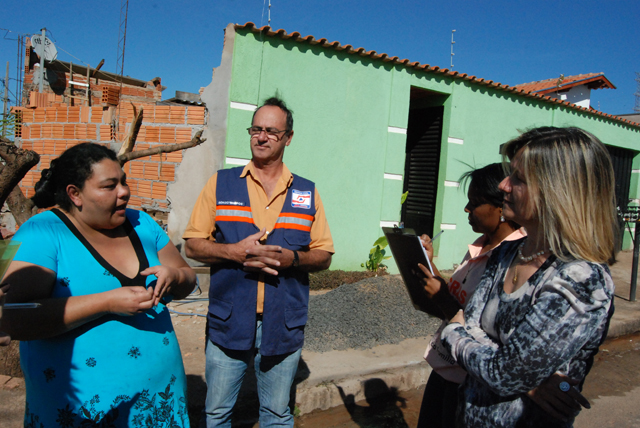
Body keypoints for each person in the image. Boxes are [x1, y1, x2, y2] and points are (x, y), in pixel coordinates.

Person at [0, 143, 196, 427]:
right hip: (82, 411)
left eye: (123, 181)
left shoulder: (142, 223)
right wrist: (107, 303)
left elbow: (187, 277)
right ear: (74, 194)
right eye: (109, 186)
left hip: (158, 402)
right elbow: (13, 316)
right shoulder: (40, 231)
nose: (124, 191)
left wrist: (175, 277)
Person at [434, 126, 617, 427]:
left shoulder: (580, 279)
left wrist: (454, 332)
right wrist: (527, 379)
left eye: (518, 178)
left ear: (558, 190)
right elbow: (485, 339)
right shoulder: (509, 251)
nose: (504, 185)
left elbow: (501, 373)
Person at [183, 96, 334, 427]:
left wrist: (293, 258)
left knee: (277, 414)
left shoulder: (306, 193)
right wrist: (233, 252)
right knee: (218, 412)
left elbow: (324, 254)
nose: (261, 137)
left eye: (271, 131)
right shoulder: (221, 183)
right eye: (256, 129)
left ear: (288, 138)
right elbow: (192, 245)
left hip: (282, 322)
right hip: (229, 317)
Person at [416, 163, 524, 428]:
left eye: (474, 203)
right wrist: (429, 266)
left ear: (501, 207)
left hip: (469, 380)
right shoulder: (479, 247)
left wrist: (442, 299)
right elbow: (456, 298)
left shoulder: (513, 261)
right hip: (444, 368)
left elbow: (481, 326)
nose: (467, 209)